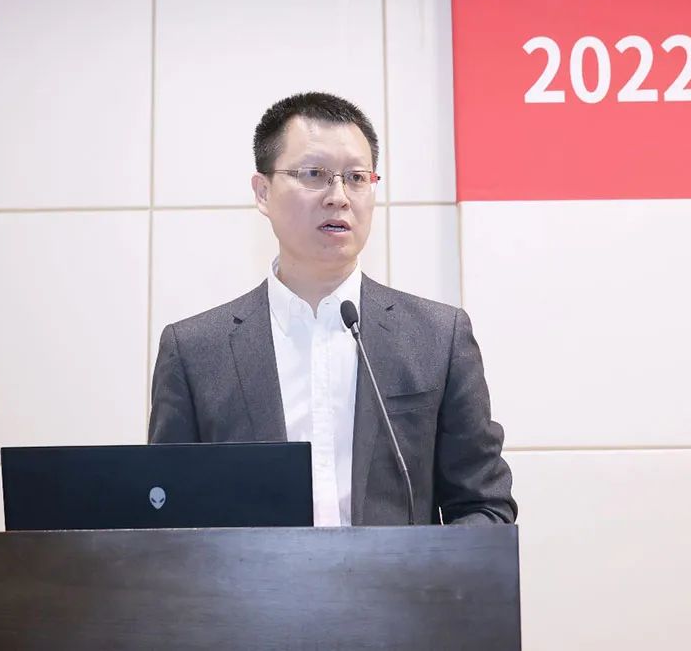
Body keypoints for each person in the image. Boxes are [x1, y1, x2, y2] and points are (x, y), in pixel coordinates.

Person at [148, 92, 516, 526]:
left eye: (356, 177)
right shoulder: (194, 352)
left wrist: (424, 567)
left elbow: (485, 508)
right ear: (263, 192)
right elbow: (165, 519)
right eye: (314, 174)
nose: (339, 196)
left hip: (397, 575)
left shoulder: (438, 337)